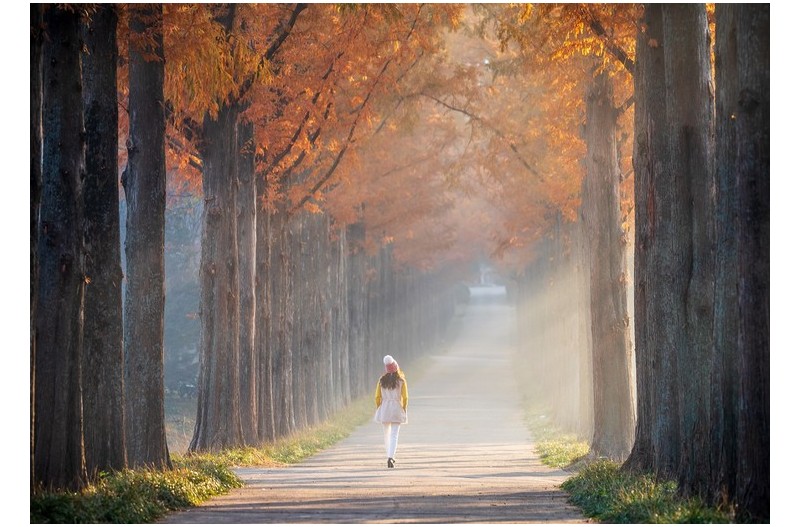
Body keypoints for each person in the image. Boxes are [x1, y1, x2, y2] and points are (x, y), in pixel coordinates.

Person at [374, 355, 408, 468]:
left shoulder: (381, 381)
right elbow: (405, 397)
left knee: (386, 434)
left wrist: (379, 407)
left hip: (385, 408)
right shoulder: (401, 381)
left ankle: (388, 455)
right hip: (396, 408)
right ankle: (391, 457)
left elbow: (377, 397)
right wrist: (404, 408)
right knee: (394, 435)